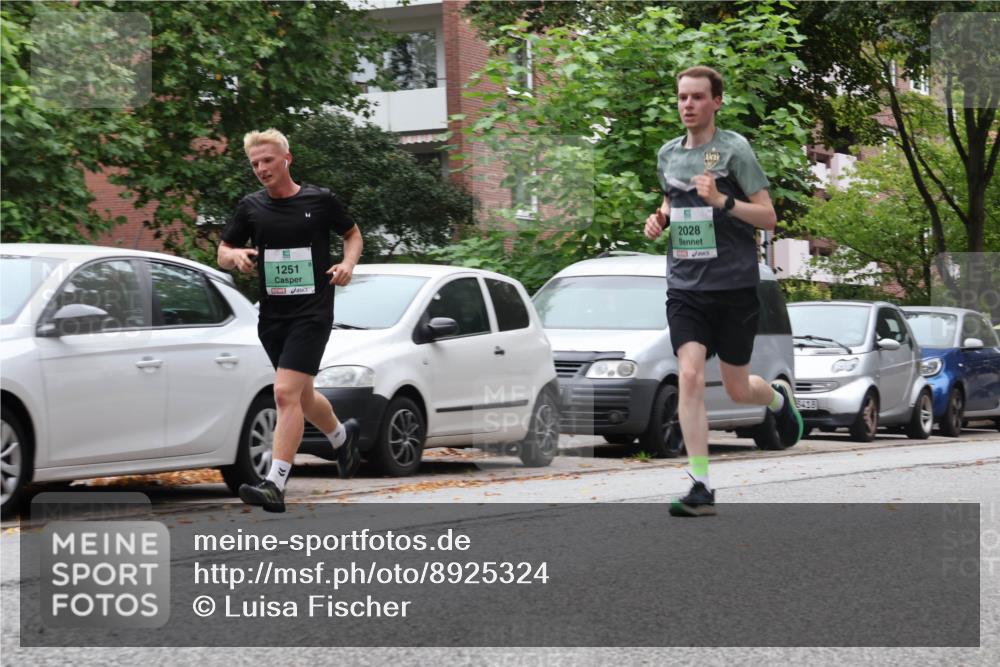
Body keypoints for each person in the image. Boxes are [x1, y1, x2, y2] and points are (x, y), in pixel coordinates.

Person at [644, 66, 803, 517]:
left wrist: (723, 202)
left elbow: (768, 217)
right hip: (685, 286)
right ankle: (701, 484)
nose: (687, 105)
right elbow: (672, 200)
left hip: (733, 286)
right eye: (681, 97)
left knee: (736, 388)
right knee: (690, 376)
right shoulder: (668, 155)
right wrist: (660, 219)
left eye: (697, 97)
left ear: (716, 102)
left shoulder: (735, 150)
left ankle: (775, 398)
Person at [218, 128, 363, 513]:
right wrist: (234, 258)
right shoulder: (251, 207)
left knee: (283, 393)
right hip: (274, 315)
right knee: (302, 395)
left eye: (267, 160)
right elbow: (223, 250)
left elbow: (352, 234)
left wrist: (347, 264)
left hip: (313, 312)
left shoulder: (319, 200)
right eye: (254, 164)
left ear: (287, 159)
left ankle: (274, 484)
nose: (261, 169)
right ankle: (342, 439)